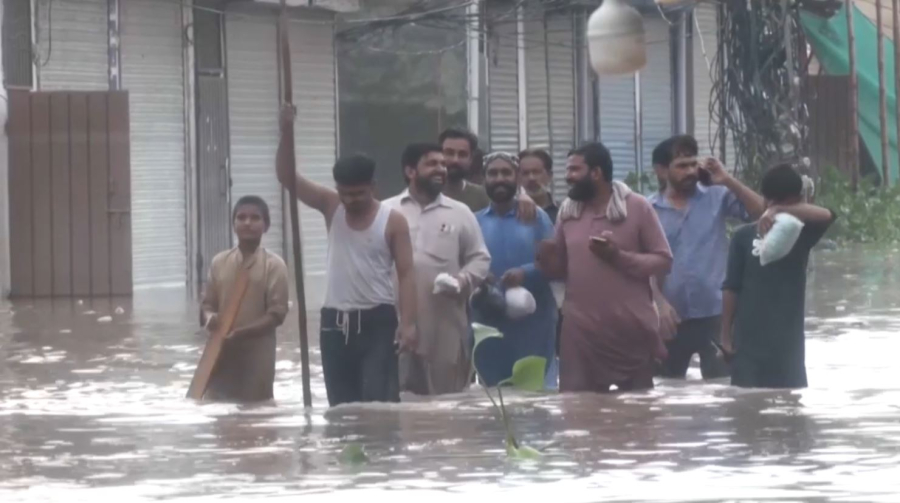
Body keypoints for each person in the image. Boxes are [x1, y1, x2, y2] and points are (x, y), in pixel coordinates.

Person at [276, 107, 418, 407]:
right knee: (341, 411)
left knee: (379, 409)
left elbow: (407, 274)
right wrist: (286, 131)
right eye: (346, 194)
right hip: (334, 324)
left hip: (377, 323)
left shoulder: (393, 221)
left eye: (359, 194)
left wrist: (408, 324)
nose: (351, 201)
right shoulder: (331, 206)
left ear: (373, 187)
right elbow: (287, 177)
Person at [537, 142, 672, 393]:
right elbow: (561, 271)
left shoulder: (637, 207)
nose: (567, 177)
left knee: (638, 415)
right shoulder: (568, 212)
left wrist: (617, 256)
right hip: (580, 333)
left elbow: (663, 260)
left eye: (574, 170)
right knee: (577, 414)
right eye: (567, 170)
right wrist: (545, 259)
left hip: (630, 331)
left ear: (596, 173)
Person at [648, 135, 765, 380]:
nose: (690, 171)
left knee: (724, 389)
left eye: (693, 164)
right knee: (666, 393)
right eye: (681, 166)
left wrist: (728, 180)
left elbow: (763, 213)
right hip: (670, 317)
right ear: (660, 170)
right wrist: (657, 303)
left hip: (717, 314)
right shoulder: (648, 210)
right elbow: (644, 265)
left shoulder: (717, 196)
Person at [384, 142, 491, 395]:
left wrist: (463, 280)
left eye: (443, 164)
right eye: (432, 164)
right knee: (397, 403)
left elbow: (481, 258)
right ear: (410, 171)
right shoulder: (387, 211)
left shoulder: (460, 213)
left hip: (446, 325)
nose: (441, 169)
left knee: (447, 407)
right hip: (394, 323)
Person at [721, 164, 835, 389]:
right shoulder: (742, 237)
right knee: (746, 411)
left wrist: (780, 211)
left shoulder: (802, 234)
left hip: (788, 347)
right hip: (747, 345)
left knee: (790, 410)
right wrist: (725, 336)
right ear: (765, 199)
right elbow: (730, 288)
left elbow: (827, 214)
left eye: (792, 205)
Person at [473, 152, 557, 389]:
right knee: (494, 403)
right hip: (489, 323)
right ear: (483, 179)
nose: (499, 178)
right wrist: (479, 275)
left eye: (506, 173)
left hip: (533, 325)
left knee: (535, 400)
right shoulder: (474, 221)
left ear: (517, 178)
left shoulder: (536, 218)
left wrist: (525, 272)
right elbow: (464, 263)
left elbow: (555, 263)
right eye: (493, 173)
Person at [201, 196, 290, 403]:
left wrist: (242, 333)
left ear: (266, 225)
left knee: (256, 412)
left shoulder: (274, 265)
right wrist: (210, 318)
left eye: (254, 218)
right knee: (219, 412)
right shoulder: (219, 262)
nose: (247, 223)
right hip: (220, 352)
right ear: (234, 225)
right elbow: (207, 305)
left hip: (257, 353)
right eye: (241, 218)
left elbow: (277, 314)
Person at [520, 148, 559, 223]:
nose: (531, 178)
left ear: (549, 176)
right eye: (525, 173)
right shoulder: (511, 214)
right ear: (518, 179)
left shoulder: (563, 212)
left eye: (536, 172)